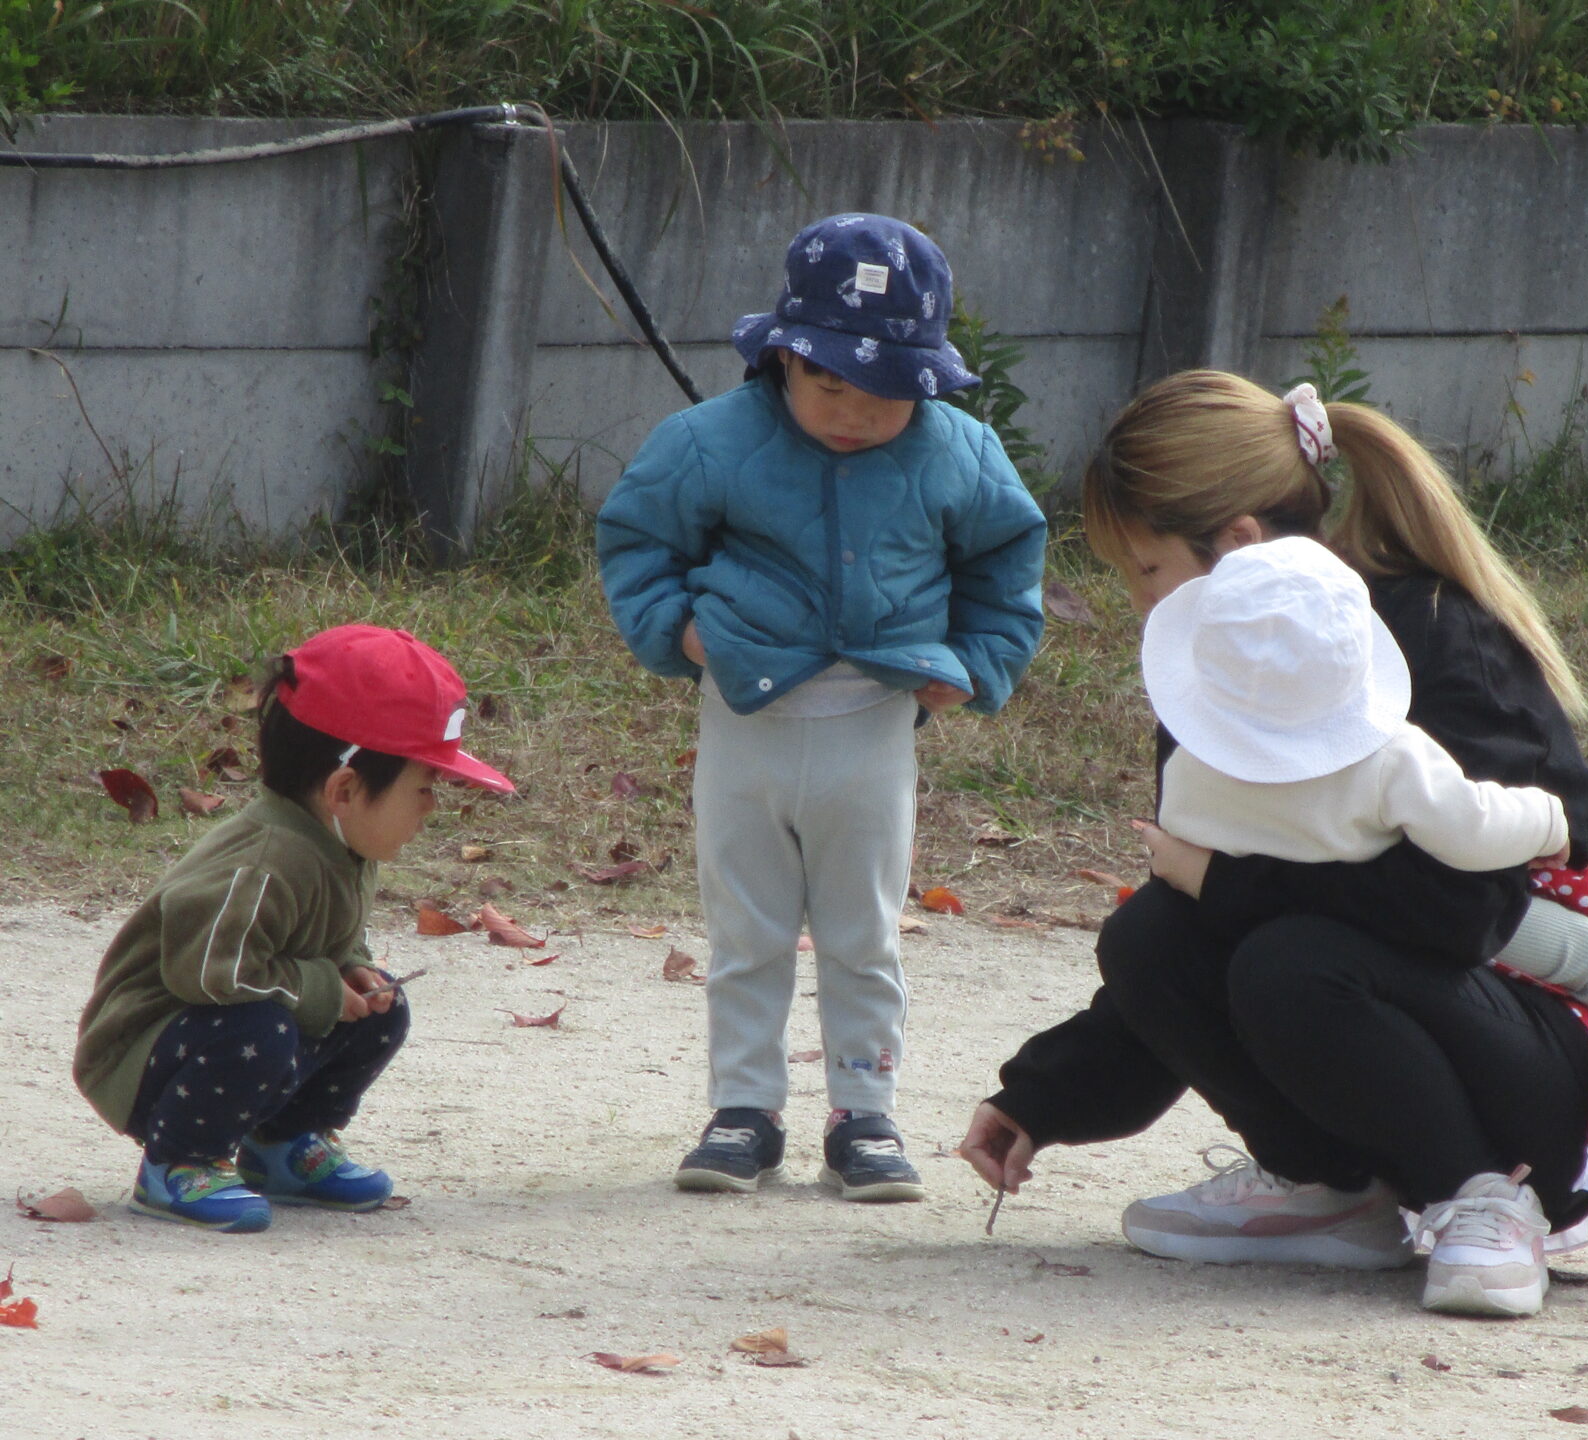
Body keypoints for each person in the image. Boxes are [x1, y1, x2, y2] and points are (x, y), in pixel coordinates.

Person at [960, 370, 1588, 1317]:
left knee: (1291, 958)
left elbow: (1463, 913)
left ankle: (1487, 1195)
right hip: (1365, 995)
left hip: (1540, 1051)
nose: (1140, 604)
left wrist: (1227, 885)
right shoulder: (1224, 682)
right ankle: (1333, 1188)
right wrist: (1042, 1097)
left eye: (1146, 571)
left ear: (1237, 544)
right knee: (1151, 933)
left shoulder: (1434, 638)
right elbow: (1208, 919)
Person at [598, 213, 1047, 1203]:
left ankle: (865, 1114)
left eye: (882, 392)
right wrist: (677, 628)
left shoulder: (961, 454)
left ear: (925, 381)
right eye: (827, 382)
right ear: (782, 359)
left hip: (874, 724)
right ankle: (743, 1111)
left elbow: (1007, 564)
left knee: (863, 932)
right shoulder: (710, 441)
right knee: (746, 929)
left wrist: (977, 663)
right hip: (744, 719)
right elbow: (637, 538)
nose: (851, 411)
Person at [1143, 530, 1588, 1109]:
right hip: (1388, 915)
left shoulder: (1189, 764)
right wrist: (1548, 820)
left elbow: (1187, 830)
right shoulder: (1391, 757)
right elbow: (1472, 831)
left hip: (1258, 930)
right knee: (1583, 951)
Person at [73, 625, 515, 1233]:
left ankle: (282, 1145)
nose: (431, 807)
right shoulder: (265, 861)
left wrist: (351, 965)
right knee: (262, 1028)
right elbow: (212, 971)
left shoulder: (344, 845)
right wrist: (322, 988)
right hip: (143, 1054)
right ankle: (178, 1163)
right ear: (345, 790)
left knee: (382, 1007)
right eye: (423, 787)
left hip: (231, 1022)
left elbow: (329, 934)